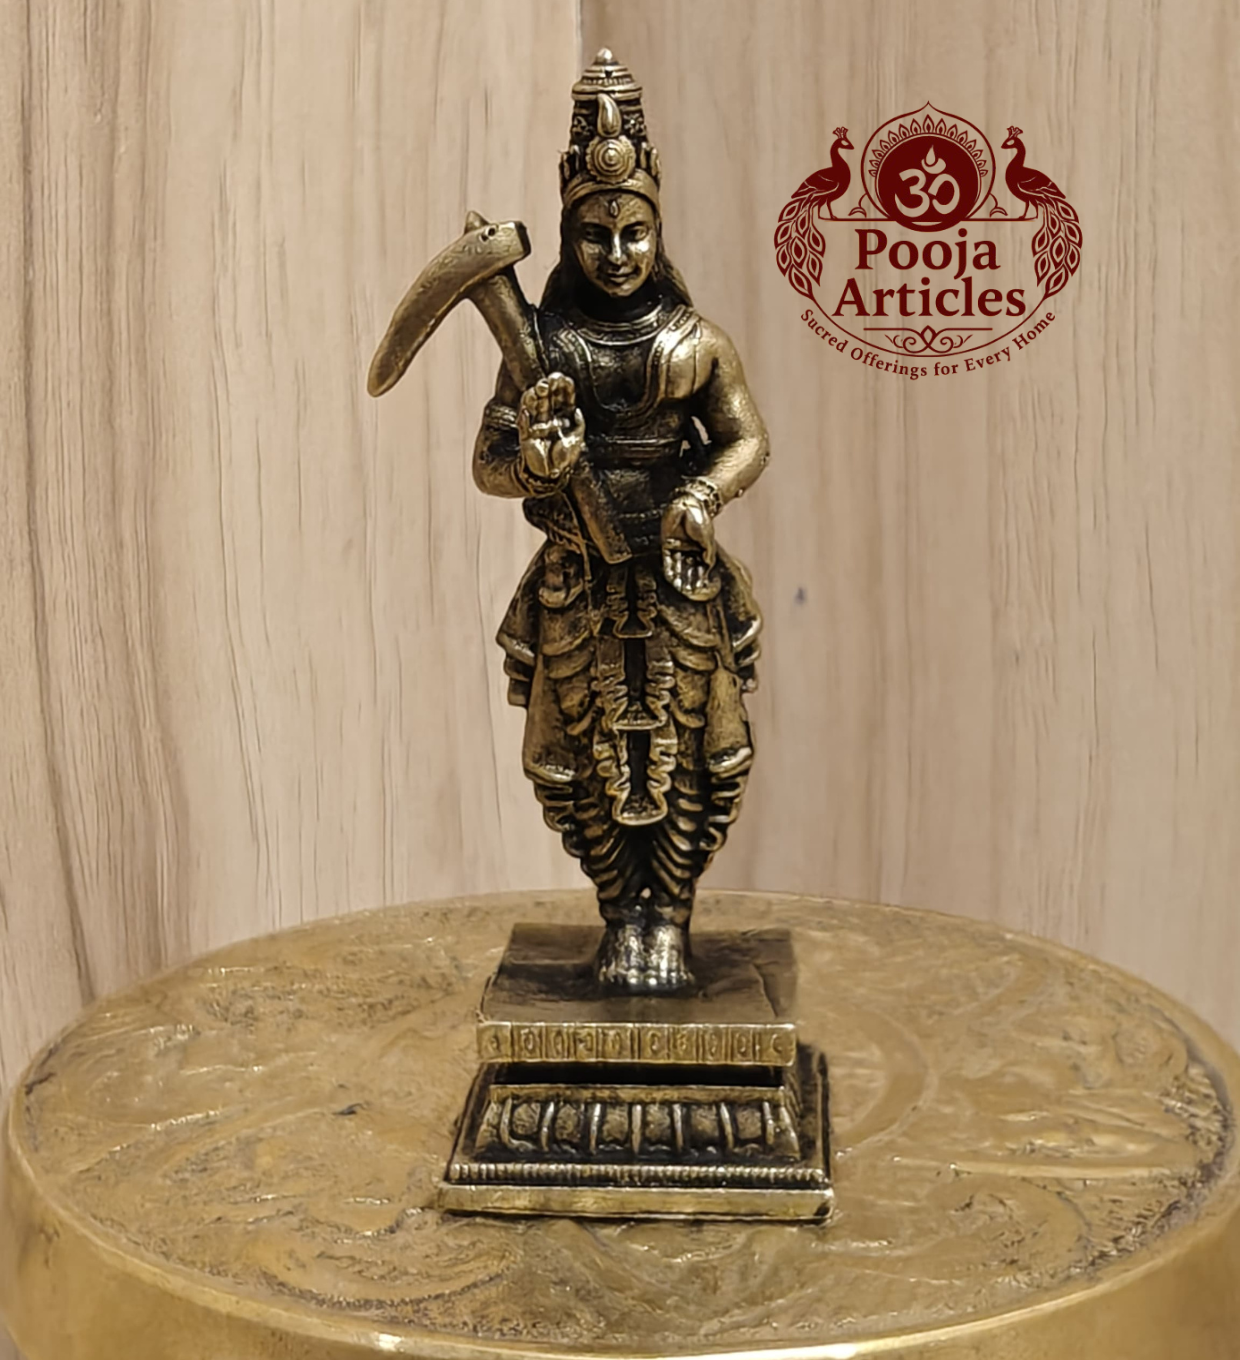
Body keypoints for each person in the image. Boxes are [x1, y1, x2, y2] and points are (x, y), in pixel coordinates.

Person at [472, 51, 768, 992]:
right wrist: (536, 464)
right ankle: (619, 916)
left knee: (697, 755)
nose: (616, 253)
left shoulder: (696, 343)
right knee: (575, 761)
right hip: (577, 579)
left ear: (658, 231)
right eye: (595, 234)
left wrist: (701, 495)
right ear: (568, 237)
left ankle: (668, 916)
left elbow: (746, 440)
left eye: (634, 232)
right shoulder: (544, 346)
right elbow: (488, 460)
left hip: (676, 573)